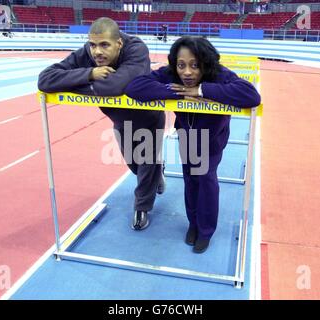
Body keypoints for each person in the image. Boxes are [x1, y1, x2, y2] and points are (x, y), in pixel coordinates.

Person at [125, 36, 261, 253]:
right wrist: (177, 91)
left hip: (212, 138)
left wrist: (201, 90)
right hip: (186, 136)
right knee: (190, 178)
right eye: (182, 65)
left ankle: (205, 231)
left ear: (206, 64)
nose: (187, 72)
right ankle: (193, 224)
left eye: (195, 65)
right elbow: (135, 88)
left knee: (205, 179)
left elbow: (251, 95)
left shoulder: (219, 74)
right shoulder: (173, 74)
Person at [38, 17, 165, 231]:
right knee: (135, 166)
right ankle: (156, 174)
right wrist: (89, 73)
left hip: (149, 119)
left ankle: (142, 208)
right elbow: (45, 79)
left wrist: (72, 84)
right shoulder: (88, 53)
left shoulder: (137, 49)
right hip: (120, 121)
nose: (97, 52)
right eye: (93, 45)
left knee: (146, 164)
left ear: (119, 44)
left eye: (104, 45)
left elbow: (114, 86)